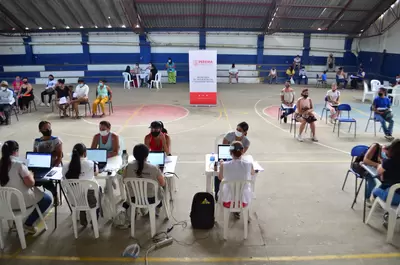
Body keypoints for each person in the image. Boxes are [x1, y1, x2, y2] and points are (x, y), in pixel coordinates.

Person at [0, 140, 52, 234]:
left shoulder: (1, 163)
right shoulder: (19, 164)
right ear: (16, 151)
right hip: (20, 201)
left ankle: (15, 223)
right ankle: (28, 224)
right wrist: (31, 175)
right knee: (47, 199)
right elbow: (31, 183)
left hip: (3, 203)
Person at [123, 144, 166, 216]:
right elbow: (162, 184)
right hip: (151, 200)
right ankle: (156, 211)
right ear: (147, 155)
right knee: (162, 188)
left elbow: (124, 180)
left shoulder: (128, 167)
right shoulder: (154, 168)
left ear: (134, 155)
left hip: (133, 199)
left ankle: (139, 210)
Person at [62, 143, 99, 226]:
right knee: (97, 190)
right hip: (88, 198)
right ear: (85, 153)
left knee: (79, 190)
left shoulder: (65, 166)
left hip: (74, 198)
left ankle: (82, 212)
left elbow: (64, 178)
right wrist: (95, 164)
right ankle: (95, 218)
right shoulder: (90, 163)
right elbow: (96, 173)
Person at [218, 141, 255, 219]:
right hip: (243, 201)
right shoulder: (249, 164)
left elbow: (220, 178)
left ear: (230, 152)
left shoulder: (223, 165)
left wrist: (221, 165)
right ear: (242, 151)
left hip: (227, 200)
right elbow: (253, 173)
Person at [372, 139, 400, 208]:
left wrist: (382, 162)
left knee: (375, 190)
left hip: (396, 197)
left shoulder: (389, 162)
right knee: (388, 188)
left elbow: (379, 171)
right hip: (396, 189)